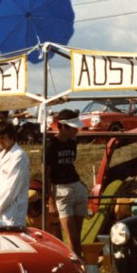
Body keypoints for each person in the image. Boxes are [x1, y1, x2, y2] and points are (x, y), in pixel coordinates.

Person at [44, 108, 88, 258]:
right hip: (61, 190)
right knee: (73, 240)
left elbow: (70, 165)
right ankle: (77, 271)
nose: (76, 130)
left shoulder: (72, 143)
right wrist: (50, 200)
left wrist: (81, 183)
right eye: (73, 127)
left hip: (76, 187)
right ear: (62, 126)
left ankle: (80, 272)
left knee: (77, 239)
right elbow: (46, 174)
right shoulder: (51, 146)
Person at [0, 120, 30, 226]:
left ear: (12, 136)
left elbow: (12, 187)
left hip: (12, 210)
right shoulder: (1, 155)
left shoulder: (19, 155)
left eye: (2, 137)